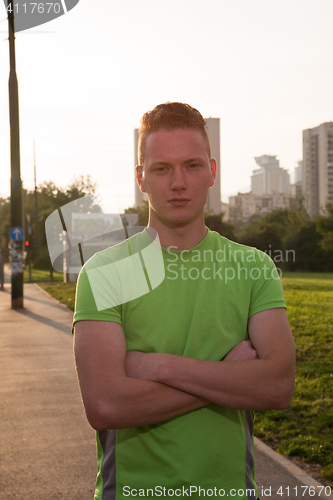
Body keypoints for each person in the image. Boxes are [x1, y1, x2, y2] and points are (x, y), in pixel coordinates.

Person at [73, 102, 295, 500]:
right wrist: (227, 377)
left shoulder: (254, 268)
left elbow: (277, 386)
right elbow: (106, 406)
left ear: (211, 172)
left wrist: (159, 366)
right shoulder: (104, 272)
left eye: (192, 166)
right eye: (162, 168)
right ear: (141, 178)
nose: (179, 182)